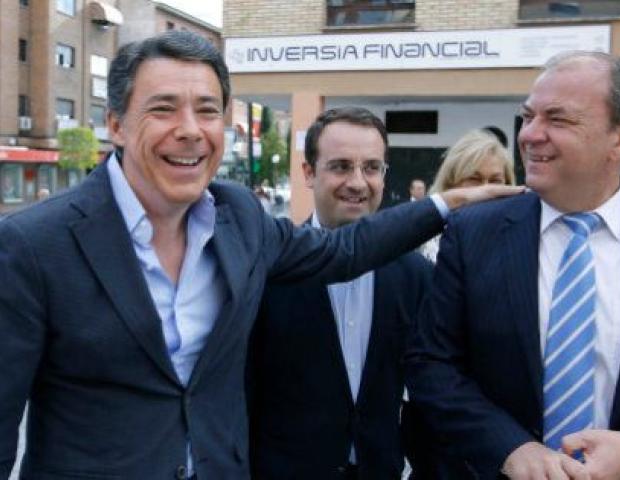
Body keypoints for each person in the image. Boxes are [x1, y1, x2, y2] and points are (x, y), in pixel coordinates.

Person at [0, 32, 522, 479]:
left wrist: (448, 203)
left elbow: (346, 250)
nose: (190, 129)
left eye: (207, 110)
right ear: (115, 123)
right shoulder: (33, 244)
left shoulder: (240, 219)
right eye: (163, 108)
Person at [405, 51, 620, 480]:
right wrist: (509, 448)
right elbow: (431, 365)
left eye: (557, 119)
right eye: (528, 116)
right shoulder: (474, 233)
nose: (529, 134)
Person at [248, 107, 432, 479]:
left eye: (372, 168)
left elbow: (429, 385)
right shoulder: (269, 269)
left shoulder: (416, 275)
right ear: (308, 173)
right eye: (341, 166)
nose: (358, 183)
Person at [419, 129, 515, 262]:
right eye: (474, 179)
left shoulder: (517, 238)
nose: (486, 189)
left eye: (495, 181)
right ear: (451, 183)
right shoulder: (431, 242)